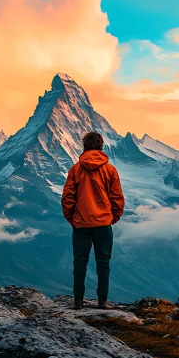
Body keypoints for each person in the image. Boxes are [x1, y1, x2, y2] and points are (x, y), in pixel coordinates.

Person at [61, 131, 124, 310]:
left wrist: (71, 218)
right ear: (101, 146)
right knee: (103, 264)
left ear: (84, 146)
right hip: (103, 223)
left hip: (81, 223)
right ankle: (102, 302)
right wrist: (114, 216)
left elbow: (68, 197)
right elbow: (117, 196)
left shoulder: (75, 169)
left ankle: (78, 301)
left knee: (79, 263)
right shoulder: (110, 170)